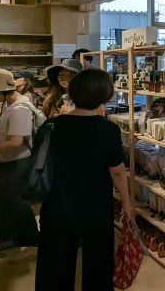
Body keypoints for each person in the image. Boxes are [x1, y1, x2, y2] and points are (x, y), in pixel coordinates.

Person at [35, 68, 132, 291]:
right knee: (98, 260)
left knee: (54, 262)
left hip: (57, 202)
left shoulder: (52, 126)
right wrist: (127, 203)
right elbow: (117, 171)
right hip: (95, 205)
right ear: (104, 96)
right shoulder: (107, 130)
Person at [0, 69, 40, 253]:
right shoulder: (7, 104)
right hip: (5, 160)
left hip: (16, 162)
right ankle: (8, 238)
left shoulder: (20, 108)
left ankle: (30, 239)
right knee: (3, 200)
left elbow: (15, 142)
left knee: (16, 201)